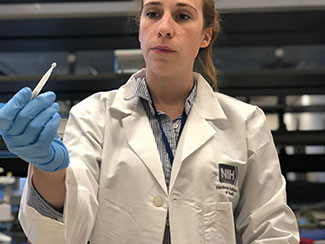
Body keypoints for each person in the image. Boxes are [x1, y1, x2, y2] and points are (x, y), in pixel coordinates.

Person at [0, 0, 300, 243]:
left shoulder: (245, 123)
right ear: (141, 29)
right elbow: (62, 234)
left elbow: (272, 231)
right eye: (153, 13)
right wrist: (46, 168)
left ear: (205, 36)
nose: (165, 28)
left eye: (182, 16)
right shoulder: (93, 115)